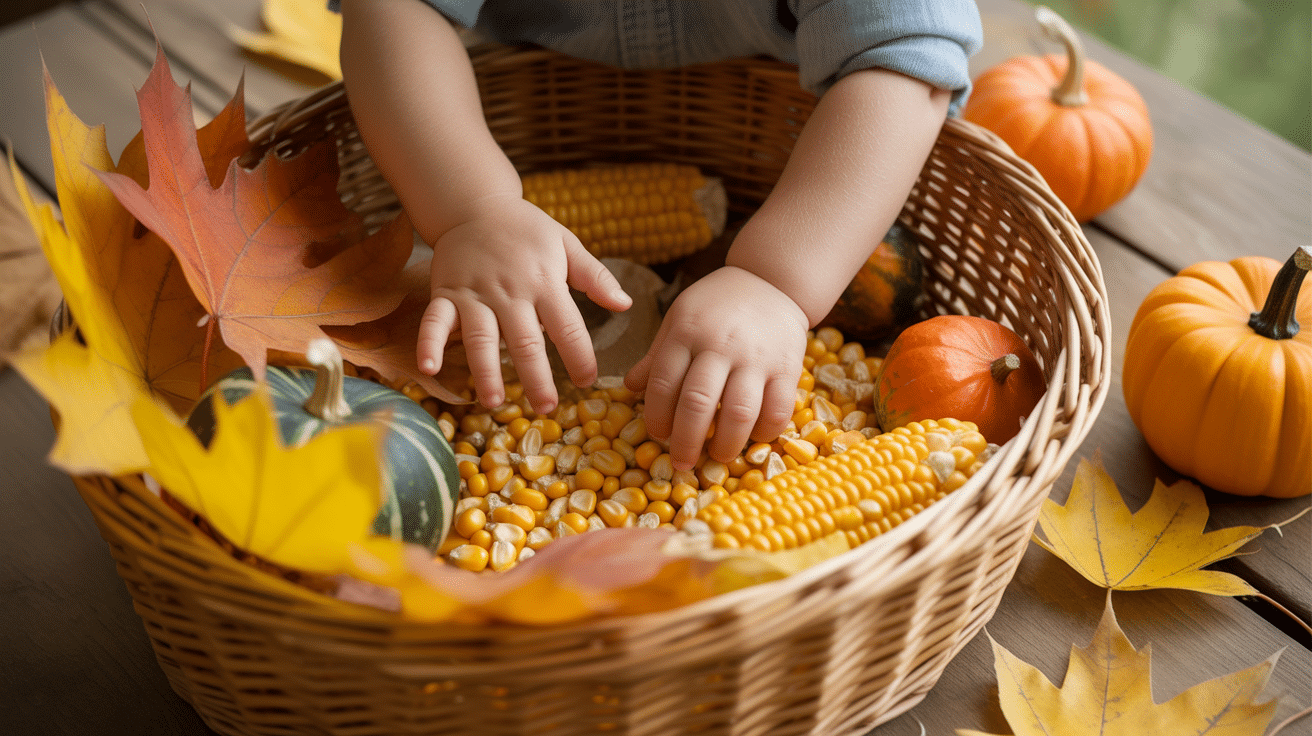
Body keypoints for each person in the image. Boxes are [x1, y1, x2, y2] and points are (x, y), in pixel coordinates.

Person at [336, 0, 983, 470]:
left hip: (794, 150)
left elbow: (904, 62)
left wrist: (775, 281)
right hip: (483, 124)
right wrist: (468, 208)